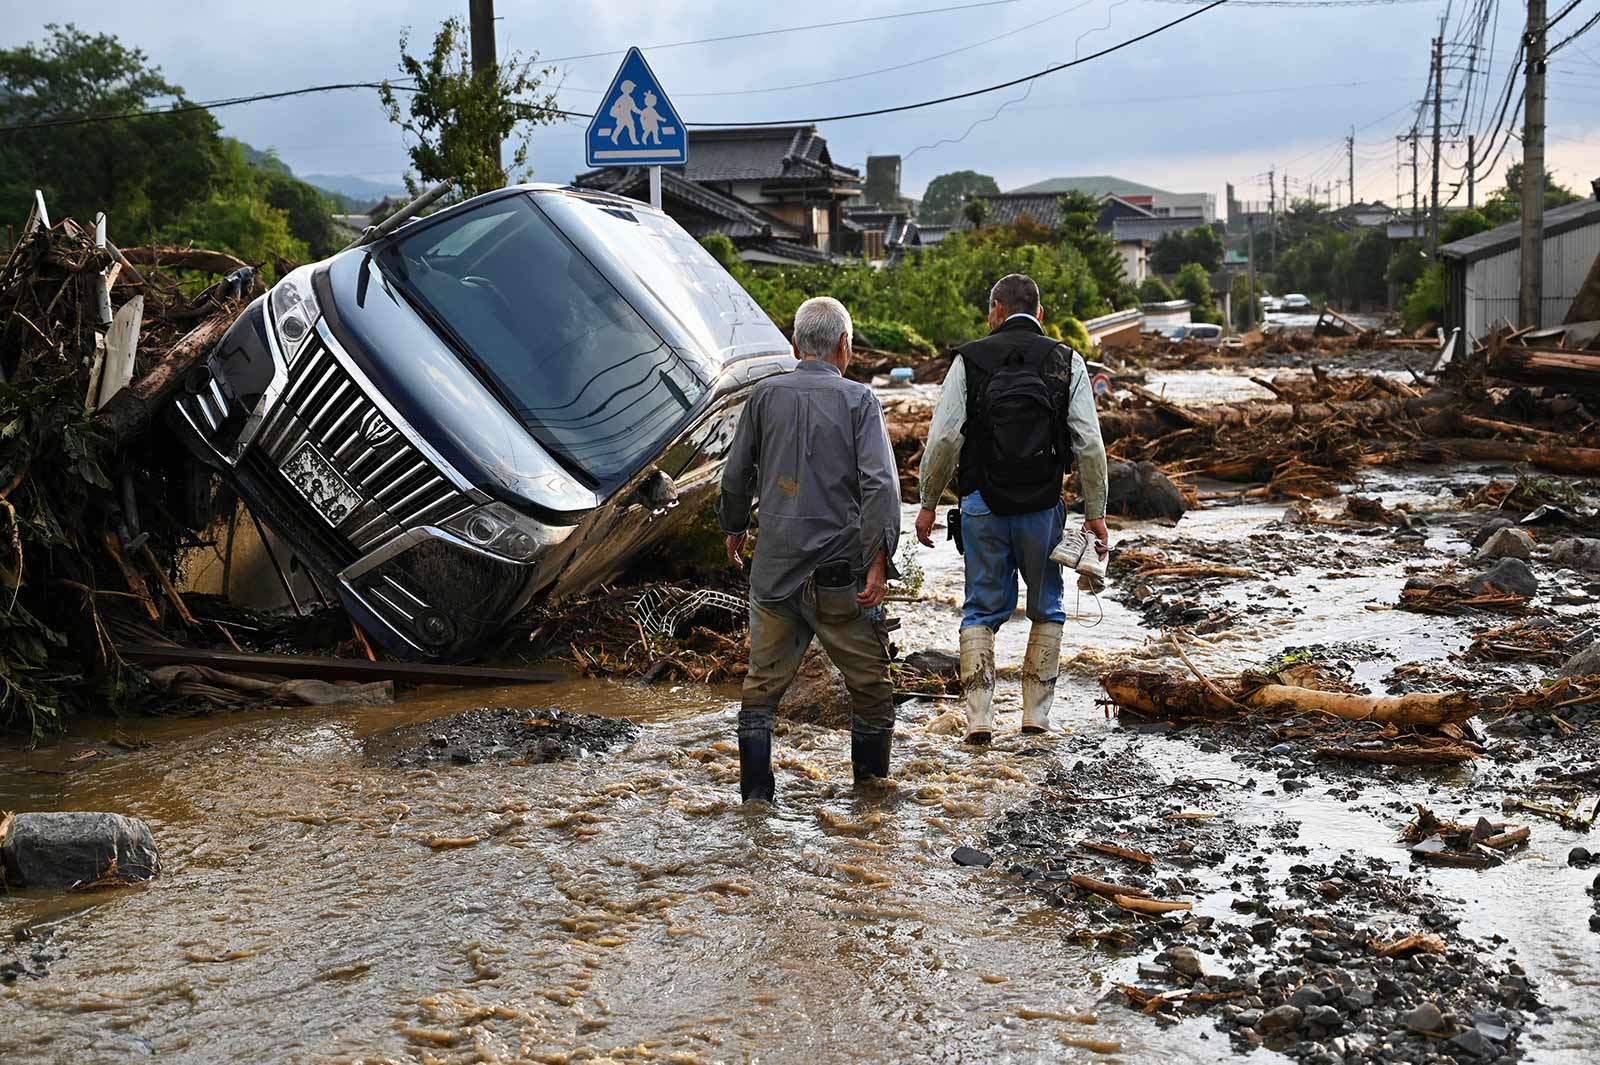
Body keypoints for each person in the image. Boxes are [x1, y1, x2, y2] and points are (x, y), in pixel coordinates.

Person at [719, 296, 902, 804]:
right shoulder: (860, 401)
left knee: (760, 693)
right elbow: (880, 487)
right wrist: (879, 561)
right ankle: (869, 802)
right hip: (839, 576)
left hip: (774, 570)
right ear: (845, 346)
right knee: (870, 689)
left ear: (795, 344)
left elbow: (736, 477)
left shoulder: (762, 397)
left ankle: (756, 803)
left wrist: (734, 527)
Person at [913, 273, 1109, 744]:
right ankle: (1035, 718)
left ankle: (980, 721)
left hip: (981, 503)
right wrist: (1096, 511)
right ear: (1039, 314)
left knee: (980, 609)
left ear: (995, 311)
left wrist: (927, 504)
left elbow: (943, 438)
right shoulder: (1066, 360)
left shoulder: (970, 359)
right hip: (1043, 506)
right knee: (1048, 607)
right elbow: (1089, 442)